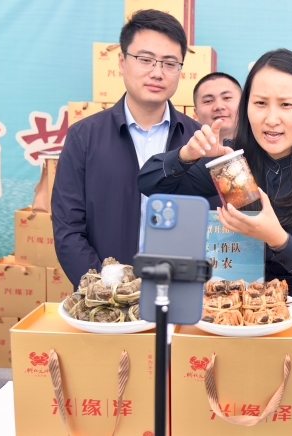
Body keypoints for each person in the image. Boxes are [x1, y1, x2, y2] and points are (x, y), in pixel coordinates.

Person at [138, 48, 292, 391]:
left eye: (286, 105)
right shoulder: (231, 162)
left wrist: (278, 239)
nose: (271, 119)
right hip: (239, 318)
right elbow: (149, 182)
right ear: (246, 108)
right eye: (260, 103)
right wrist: (187, 155)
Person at [51, 9, 200, 289]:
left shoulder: (197, 140)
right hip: (106, 300)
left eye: (170, 63)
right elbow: (68, 229)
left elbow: (214, 228)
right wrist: (107, 290)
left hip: (180, 294)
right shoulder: (83, 137)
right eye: (145, 60)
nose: (157, 72)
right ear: (122, 62)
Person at [192, 72, 242, 145]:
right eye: (208, 101)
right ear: (196, 113)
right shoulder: (185, 150)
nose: (219, 106)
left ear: (244, 105)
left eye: (227, 98)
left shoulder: (259, 147)